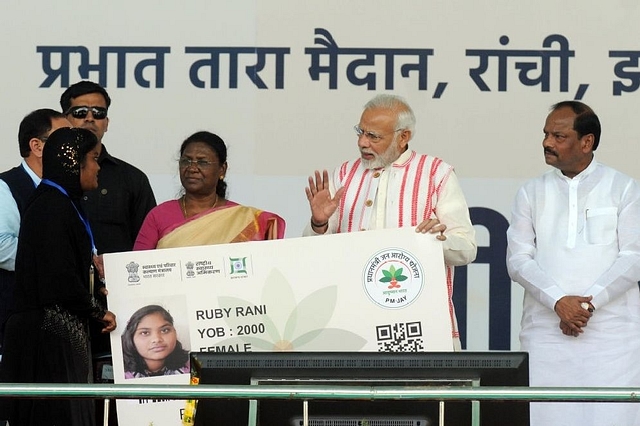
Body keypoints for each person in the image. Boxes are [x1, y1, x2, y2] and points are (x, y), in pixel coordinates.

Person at [304, 94, 476, 349]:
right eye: (361, 132)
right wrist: (319, 223)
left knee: (423, 389)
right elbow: (313, 252)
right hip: (353, 320)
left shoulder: (435, 173)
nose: (362, 142)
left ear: (403, 137)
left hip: (420, 323)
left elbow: (466, 248)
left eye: (374, 137)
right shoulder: (344, 174)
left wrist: (432, 242)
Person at [506, 101, 640, 425]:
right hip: (547, 337)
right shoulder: (531, 192)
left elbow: (634, 259)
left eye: (559, 136)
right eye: (546, 134)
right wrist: (558, 303)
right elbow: (518, 260)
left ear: (587, 142)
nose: (547, 143)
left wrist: (584, 307)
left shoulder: (623, 189)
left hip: (612, 339)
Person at [0, 127, 117, 426]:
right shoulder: (51, 206)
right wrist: (97, 312)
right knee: (55, 416)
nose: (98, 166)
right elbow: (59, 278)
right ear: (73, 162)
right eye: (92, 158)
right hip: (44, 337)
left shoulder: (62, 202)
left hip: (56, 330)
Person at [134, 131, 285, 250]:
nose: (192, 168)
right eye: (186, 160)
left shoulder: (243, 220)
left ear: (222, 170)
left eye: (202, 162)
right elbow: (137, 268)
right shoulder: (159, 215)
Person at [0, 109, 70, 352]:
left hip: (61, 323)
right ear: (37, 146)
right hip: (18, 321)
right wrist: (57, 261)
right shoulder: (5, 187)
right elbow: (2, 246)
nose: (72, 148)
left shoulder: (69, 190)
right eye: (64, 140)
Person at [121, 304, 189, 379]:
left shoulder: (192, 367)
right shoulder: (121, 375)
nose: (157, 339)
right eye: (145, 333)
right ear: (131, 338)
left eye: (165, 330)